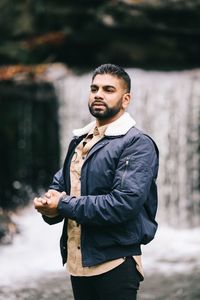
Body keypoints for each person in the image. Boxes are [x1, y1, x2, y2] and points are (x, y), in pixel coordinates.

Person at [34, 63, 159, 300]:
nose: (98, 94)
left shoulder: (137, 144)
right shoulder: (81, 139)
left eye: (109, 90)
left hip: (115, 263)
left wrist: (62, 204)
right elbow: (61, 185)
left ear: (125, 99)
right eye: (94, 88)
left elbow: (123, 204)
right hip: (78, 262)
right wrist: (49, 208)